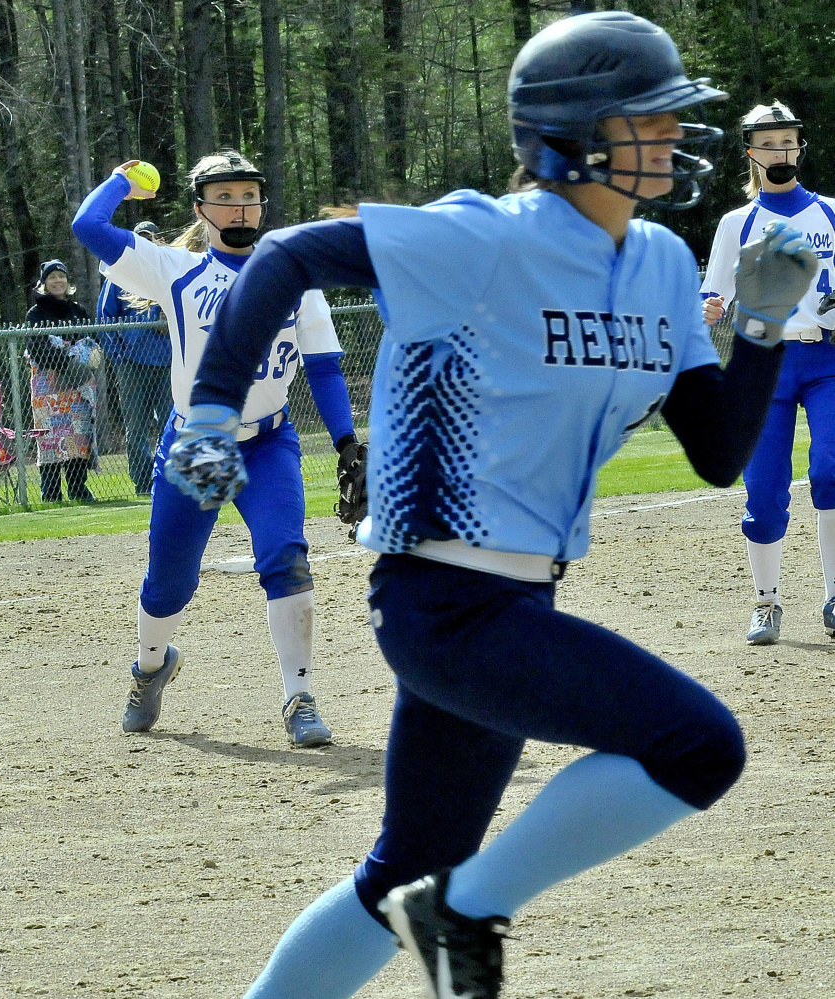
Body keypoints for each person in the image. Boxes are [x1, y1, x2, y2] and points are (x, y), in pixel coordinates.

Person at [164, 13, 816, 999]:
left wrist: (762, 328)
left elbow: (720, 452)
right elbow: (288, 255)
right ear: (576, 129)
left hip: (518, 605)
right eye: (652, 119)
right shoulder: (483, 236)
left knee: (399, 871)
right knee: (697, 746)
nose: (676, 139)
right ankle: (464, 911)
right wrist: (213, 406)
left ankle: (419, 912)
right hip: (441, 602)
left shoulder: (663, 264)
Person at [72, 149, 361, 748]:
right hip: (199, 445)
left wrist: (346, 443)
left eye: (249, 195)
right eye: (225, 196)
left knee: (286, 556)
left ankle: (300, 695)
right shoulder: (173, 269)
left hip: (269, 441)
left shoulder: (296, 277)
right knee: (169, 582)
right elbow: (87, 228)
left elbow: (326, 368)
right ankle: (151, 666)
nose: (240, 206)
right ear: (202, 209)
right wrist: (122, 182)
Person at [700, 102, 835, 646]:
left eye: (790, 141)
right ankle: (767, 601)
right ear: (751, 152)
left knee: (830, 473)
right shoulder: (738, 223)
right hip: (764, 368)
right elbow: (713, 294)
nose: (783, 151)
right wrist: (708, 309)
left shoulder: (830, 212)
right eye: (771, 142)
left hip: (827, 362)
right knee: (763, 492)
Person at [98, 221, 172, 495]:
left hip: (168, 361)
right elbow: (105, 317)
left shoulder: (168, 270)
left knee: (172, 422)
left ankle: (170, 480)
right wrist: (119, 354)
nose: (145, 242)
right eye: (140, 238)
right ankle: (143, 482)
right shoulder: (120, 274)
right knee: (137, 426)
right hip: (131, 362)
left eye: (149, 237)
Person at [25, 259, 100, 503]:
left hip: (77, 387)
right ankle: (51, 492)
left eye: (61, 276)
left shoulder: (77, 310)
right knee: (49, 438)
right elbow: (37, 348)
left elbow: (89, 341)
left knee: (77, 437)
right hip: (49, 387)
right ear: (44, 283)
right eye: (52, 277)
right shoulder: (36, 313)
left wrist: (85, 359)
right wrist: (67, 363)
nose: (58, 281)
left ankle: (78, 489)